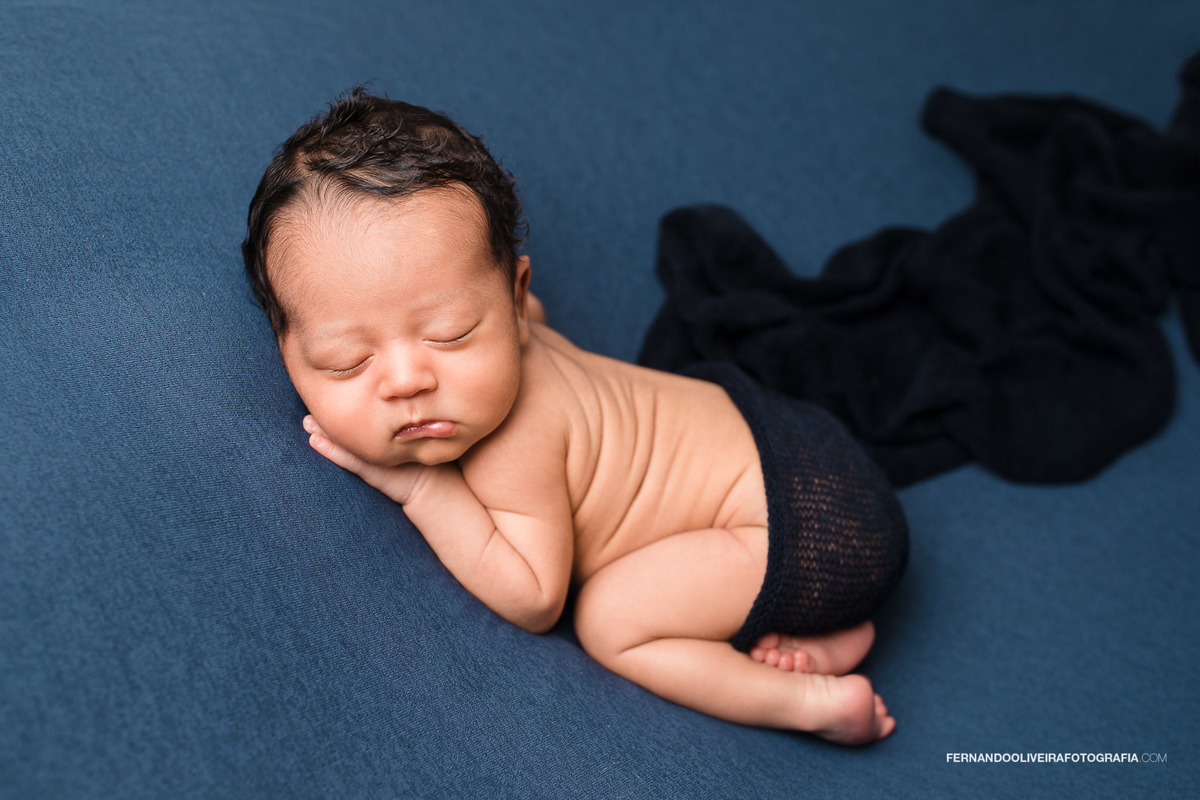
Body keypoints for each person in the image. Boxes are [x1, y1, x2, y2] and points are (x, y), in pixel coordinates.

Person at [242, 89, 908, 745]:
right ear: (285, 351)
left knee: (613, 621)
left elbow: (535, 597)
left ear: (516, 295)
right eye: (345, 361)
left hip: (804, 529)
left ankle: (812, 699)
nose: (409, 380)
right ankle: (830, 630)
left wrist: (422, 487)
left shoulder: (517, 441)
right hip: (810, 449)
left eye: (450, 333)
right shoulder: (517, 332)